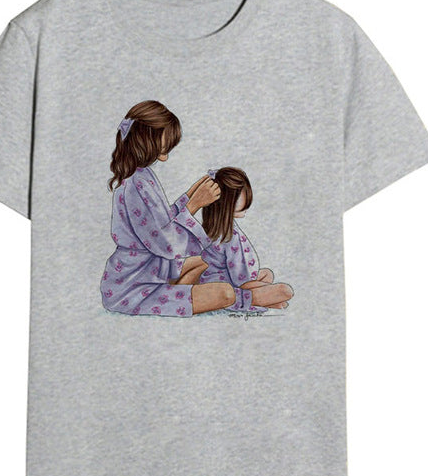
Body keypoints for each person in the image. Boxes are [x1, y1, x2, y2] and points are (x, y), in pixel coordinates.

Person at [100, 100, 243, 317]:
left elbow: (161, 222)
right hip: (134, 289)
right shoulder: (135, 185)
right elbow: (166, 242)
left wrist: (189, 197)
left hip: (151, 271)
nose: (165, 155)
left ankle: (179, 290)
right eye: (164, 146)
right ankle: (240, 298)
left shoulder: (142, 175)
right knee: (226, 293)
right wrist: (194, 204)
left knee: (205, 262)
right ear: (146, 139)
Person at [199, 167, 294, 311]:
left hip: (220, 280)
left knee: (267, 274)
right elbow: (241, 277)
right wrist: (256, 286)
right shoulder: (228, 235)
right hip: (227, 288)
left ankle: (266, 299)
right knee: (285, 291)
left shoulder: (216, 227)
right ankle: (263, 299)